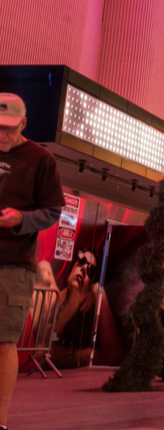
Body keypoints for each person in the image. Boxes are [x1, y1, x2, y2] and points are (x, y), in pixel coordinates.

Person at [0, 94, 65, 430]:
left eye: (9, 129)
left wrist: (21, 220)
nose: (2, 135)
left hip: (12, 264)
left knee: (3, 341)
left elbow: (53, 211)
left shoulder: (41, 159)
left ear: (23, 124)